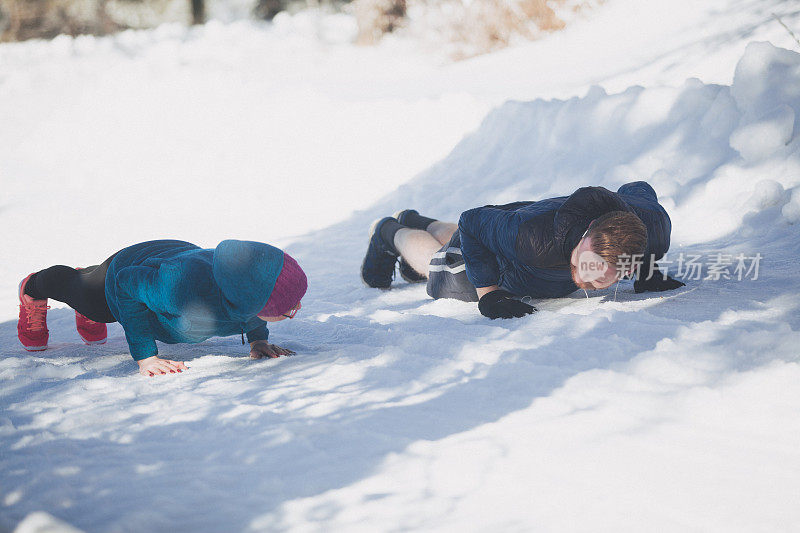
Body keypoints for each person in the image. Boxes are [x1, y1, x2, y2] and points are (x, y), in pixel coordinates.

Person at [360, 181, 684, 319]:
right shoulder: (533, 241)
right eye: (588, 265)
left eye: (604, 279)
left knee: (492, 232)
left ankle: (418, 219)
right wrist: (488, 293)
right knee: (440, 267)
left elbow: (638, 189)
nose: (590, 279)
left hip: (515, 224)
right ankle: (389, 230)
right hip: (507, 250)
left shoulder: (653, 230)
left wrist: (647, 271)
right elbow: (472, 222)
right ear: (586, 237)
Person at [17, 239, 307, 376]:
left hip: (165, 262)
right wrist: (145, 356)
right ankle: (34, 287)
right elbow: (125, 282)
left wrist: (258, 339)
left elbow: (250, 298)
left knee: (92, 289)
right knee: (94, 303)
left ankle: (86, 281)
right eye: (289, 309)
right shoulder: (180, 290)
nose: (296, 308)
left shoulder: (242, 292)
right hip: (127, 272)